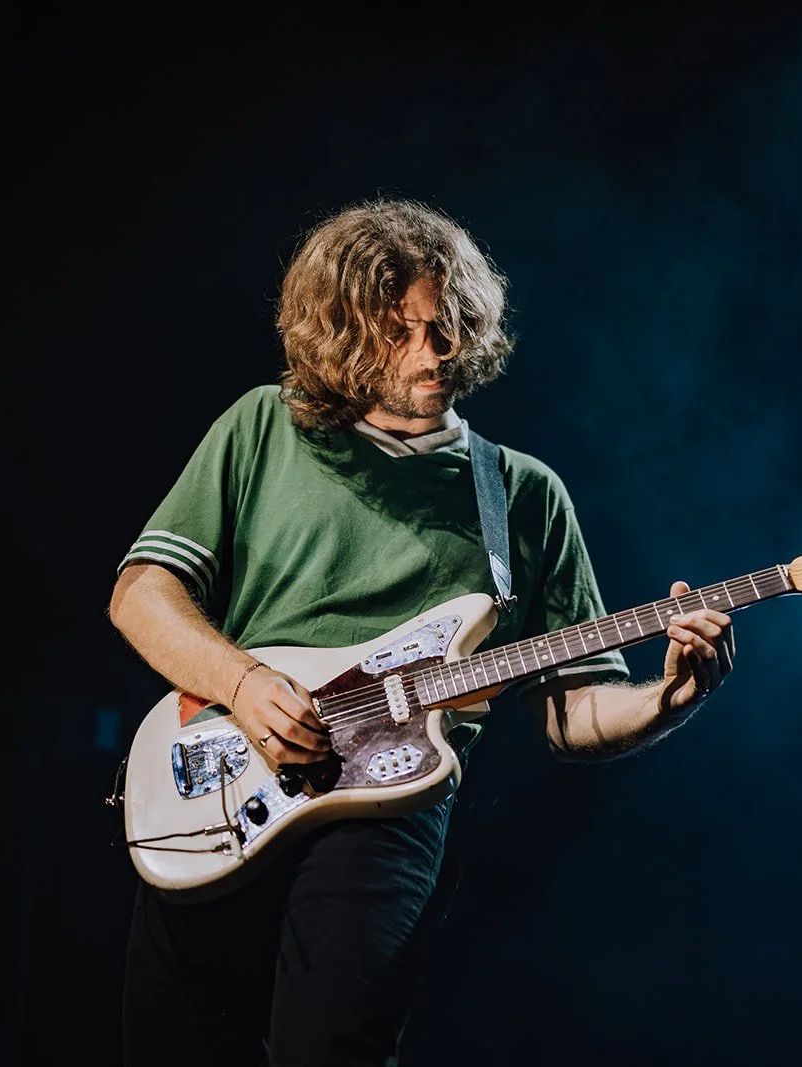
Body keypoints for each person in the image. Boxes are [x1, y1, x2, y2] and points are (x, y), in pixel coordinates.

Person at [107, 196, 736, 1067]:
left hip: (390, 803)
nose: (432, 353)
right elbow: (142, 592)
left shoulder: (522, 494)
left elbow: (574, 711)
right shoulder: (262, 427)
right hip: (226, 767)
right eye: (397, 333)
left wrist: (671, 697)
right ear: (339, 335)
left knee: (334, 1045)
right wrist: (244, 683)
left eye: (445, 327)